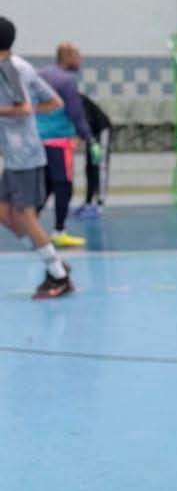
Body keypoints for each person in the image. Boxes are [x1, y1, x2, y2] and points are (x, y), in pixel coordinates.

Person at [0, 18, 73, 298]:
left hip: (24, 156)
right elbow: (54, 102)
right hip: (14, 155)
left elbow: (23, 108)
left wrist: (14, 117)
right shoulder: (17, 66)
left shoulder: (10, 70)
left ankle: (59, 276)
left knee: (25, 216)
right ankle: (53, 260)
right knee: (4, 212)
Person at [36, 42, 95, 248]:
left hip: (37, 139)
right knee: (63, 185)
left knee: (45, 185)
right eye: (77, 56)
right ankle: (59, 231)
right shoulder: (66, 80)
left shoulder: (40, 74)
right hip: (59, 140)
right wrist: (88, 136)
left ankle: (28, 225)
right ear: (68, 57)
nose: (80, 60)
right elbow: (75, 112)